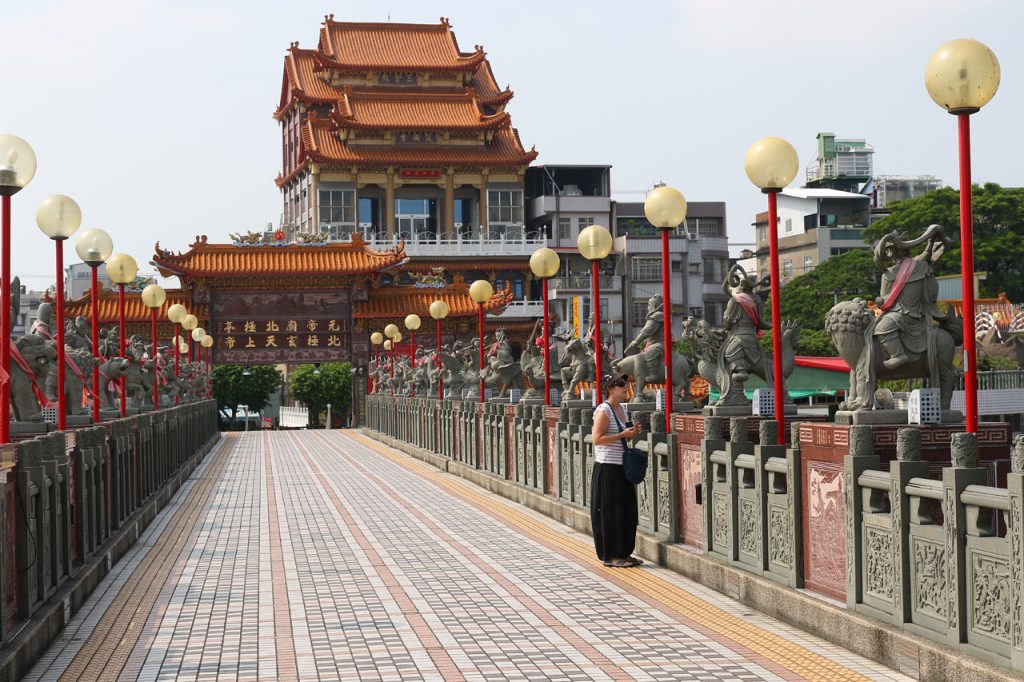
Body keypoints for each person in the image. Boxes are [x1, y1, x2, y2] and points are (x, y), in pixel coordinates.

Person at [590, 371, 644, 568]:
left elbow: (623, 437)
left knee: (627, 511)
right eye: (621, 384)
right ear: (611, 389)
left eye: (625, 383)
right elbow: (597, 439)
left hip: (622, 466)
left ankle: (625, 552)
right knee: (610, 512)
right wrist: (622, 434)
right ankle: (611, 555)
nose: (625, 387)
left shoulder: (622, 409)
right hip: (607, 467)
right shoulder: (604, 410)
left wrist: (631, 434)